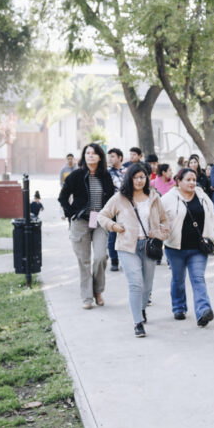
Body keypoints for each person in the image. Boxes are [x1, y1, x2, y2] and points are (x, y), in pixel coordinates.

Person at [98, 162, 170, 338]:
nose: (139, 180)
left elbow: (164, 218)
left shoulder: (153, 196)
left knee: (147, 286)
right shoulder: (120, 198)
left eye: (142, 177)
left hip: (148, 245)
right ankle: (137, 322)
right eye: (135, 177)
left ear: (147, 178)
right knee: (135, 283)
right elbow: (102, 215)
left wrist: (162, 233)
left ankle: (142, 308)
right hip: (127, 247)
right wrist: (114, 226)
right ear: (129, 179)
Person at [58, 143, 116, 310]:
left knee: (100, 257)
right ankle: (87, 297)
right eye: (87, 153)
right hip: (81, 221)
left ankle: (98, 291)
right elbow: (63, 197)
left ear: (99, 157)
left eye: (94, 153)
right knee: (83, 261)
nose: (90, 156)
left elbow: (112, 198)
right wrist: (71, 213)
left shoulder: (105, 176)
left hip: (99, 221)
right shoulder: (76, 175)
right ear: (84, 156)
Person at [161, 168, 214, 326]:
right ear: (179, 181)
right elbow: (159, 217)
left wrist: (210, 236)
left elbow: (211, 215)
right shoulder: (168, 198)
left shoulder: (201, 195)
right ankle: (179, 307)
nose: (192, 182)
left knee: (198, 279)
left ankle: (203, 311)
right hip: (175, 248)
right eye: (188, 180)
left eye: (194, 179)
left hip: (198, 248)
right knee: (178, 279)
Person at [106, 148, 125, 272]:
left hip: (126, 208)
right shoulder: (107, 173)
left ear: (120, 158)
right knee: (112, 235)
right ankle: (114, 260)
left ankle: (125, 259)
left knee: (125, 233)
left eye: (113, 156)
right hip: (112, 207)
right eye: (109, 156)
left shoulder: (127, 172)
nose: (110, 159)